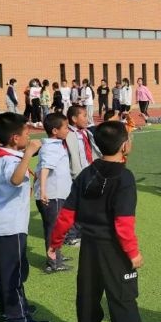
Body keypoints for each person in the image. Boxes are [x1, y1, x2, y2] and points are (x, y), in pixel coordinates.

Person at [48, 121, 145, 322]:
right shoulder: (125, 178)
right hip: (113, 249)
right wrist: (133, 253)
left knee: (88, 295)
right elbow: (123, 223)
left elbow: (66, 215)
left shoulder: (86, 173)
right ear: (124, 146)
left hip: (89, 248)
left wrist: (55, 243)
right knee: (122, 298)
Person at [0, 112, 51, 322]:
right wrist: (28, 155)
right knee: (14, 274)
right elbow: (16, 179)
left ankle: (9, 309)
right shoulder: (9, 160)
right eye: (27, 133)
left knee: (4, 273)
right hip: (10, 227)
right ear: (16, 138)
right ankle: (18, 320)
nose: (30, 136)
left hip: (1, 225)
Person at [34, 113, 72, 274]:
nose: (68, 130)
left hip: (57, 194)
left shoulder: (54, 145)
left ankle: (56, 254)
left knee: (57, 227)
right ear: (55, 130)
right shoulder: (51, 147)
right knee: (53, 228)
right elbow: (45, 169)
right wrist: (43, 191)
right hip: (52, 195)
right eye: (65, 127)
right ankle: (53, 262)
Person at [64, 105, 101, 247]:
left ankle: (83, 232)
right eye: (84, 115)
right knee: (76, 206)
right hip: (76, 176)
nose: (87, 118)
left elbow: (93, 150)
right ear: (74, 119)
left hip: (90, 173)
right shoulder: (67, 135)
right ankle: (71, 236)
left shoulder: (86, 133)